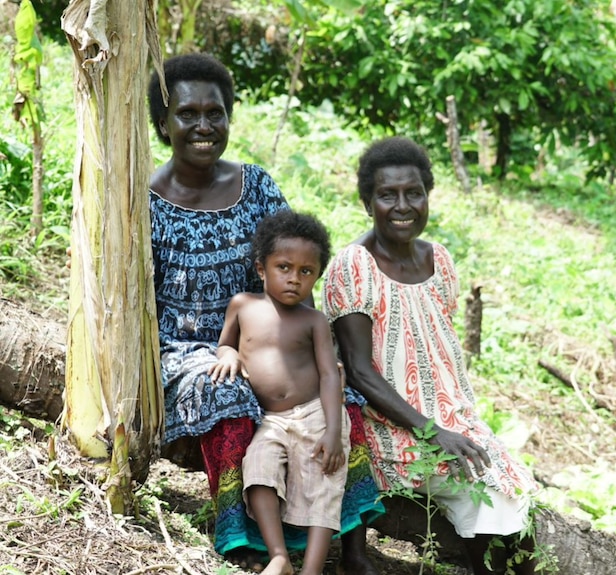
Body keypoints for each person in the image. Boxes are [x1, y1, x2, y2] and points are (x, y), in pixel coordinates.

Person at [147, 53, 383, 574]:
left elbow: (295, 260)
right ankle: (252, 542)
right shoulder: (146, 202)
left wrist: (316, 345)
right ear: (163, 123)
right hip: (192, 350)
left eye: (217, 113)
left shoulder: (255, 185)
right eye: (188, 114)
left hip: (274, 329)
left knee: (340, 393)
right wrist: (218, 351)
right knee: (225, 389)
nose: (204, 126)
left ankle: (351, 544)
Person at [322, 136, 539, 575]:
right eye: (388, 195)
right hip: (390, 428)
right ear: (368, 203)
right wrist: (431, 431)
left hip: (451, 420)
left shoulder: (437, 259)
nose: (403, 206)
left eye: (414, 193)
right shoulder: (354, 265)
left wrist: (453, 425)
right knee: (488, 494)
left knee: (514, 508)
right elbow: (361, 372)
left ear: (428, 196)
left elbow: (436, 352)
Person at [209, 211, 348, 575]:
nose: (294, 279)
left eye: (306, 272)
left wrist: (333, 431)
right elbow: (225, 344)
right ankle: (279, 556)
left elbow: (329, 375)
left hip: (315, 412)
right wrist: (228, 354)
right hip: (270, 420)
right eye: (283, 267)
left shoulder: (313, 320)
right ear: (261, 268)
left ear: (316, 277)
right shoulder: (243, 305)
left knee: (324, 483)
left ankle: (312, 569)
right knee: (258, 471)